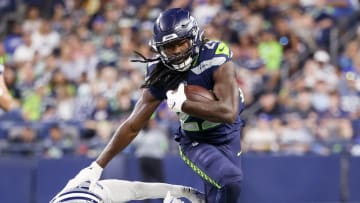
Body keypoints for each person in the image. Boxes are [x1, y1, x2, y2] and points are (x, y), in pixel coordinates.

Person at [60, 8, 245, 203]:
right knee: (230, 180)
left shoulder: (215, 55)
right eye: (169, 46)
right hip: (196, 140)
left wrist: (184, 105)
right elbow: (133, 125)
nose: (177, 51)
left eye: (181, 43)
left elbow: (229, 112)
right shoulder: (160, 72)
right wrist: (96, 166)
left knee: (222, 195)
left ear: (194, 37)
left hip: (228, 133)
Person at [51, 179, 205, 203]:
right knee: (136, 189)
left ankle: (186, 192)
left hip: (92, 190)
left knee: (137, 189)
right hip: (88, 191)